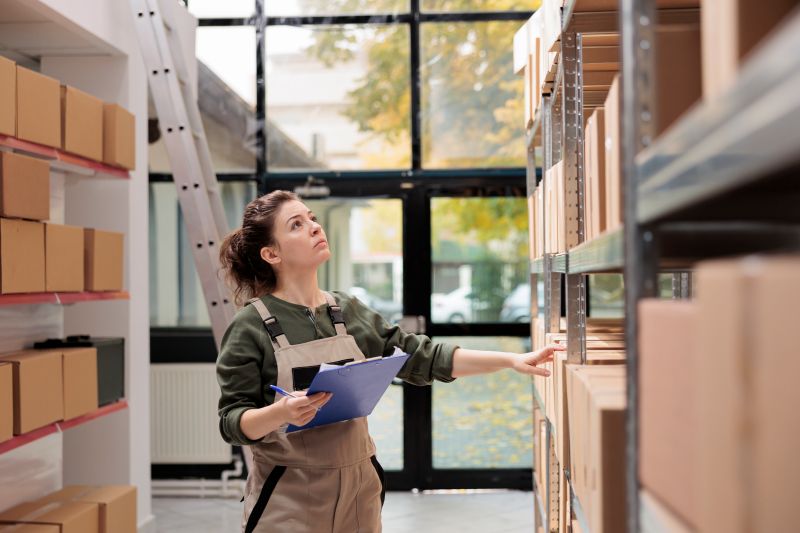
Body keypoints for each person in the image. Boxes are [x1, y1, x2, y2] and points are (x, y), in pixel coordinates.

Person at [216, 190, 562, 533]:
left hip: (359, 491)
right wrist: (282, 413)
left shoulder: (347, 311)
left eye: (312, 218)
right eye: (296, 224)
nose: (314, 227)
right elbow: (232, 422)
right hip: (289, 497)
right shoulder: (250, 326)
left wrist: (512, 359)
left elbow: (423, 358)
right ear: (271, 253)